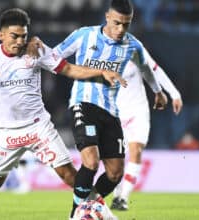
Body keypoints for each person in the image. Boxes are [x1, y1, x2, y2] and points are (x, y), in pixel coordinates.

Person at [0, 8, 126, 220]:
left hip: (39, 127)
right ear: (1, 35)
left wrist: (100, 72)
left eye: (23, 36)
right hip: (6, 132)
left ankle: (100, 212)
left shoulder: (36, 50)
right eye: (14, 36)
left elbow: (69, 69)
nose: (20, 41)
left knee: (69, 175)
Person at [52, 0, 168, 218]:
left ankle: (90, 206)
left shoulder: (132, 45)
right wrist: (36, 50)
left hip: (111, 110)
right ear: (107, 17)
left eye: (126, 24)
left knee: (115, 173)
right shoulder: (84, 35)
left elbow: (145, 68)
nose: (121, 29)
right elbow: (54, 57)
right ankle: (75, 214)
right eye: (116, 23)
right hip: (83, 103)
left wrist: (158, 91)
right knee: (91, 162)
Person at [111, 59, 183, 210]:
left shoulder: (134, 48)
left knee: (135, 150)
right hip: (115, 112)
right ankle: (116, 195)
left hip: (138, 110)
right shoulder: (99, 50)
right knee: (116, 158)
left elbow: (155, 69)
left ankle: (123, 198)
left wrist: (174, 94)